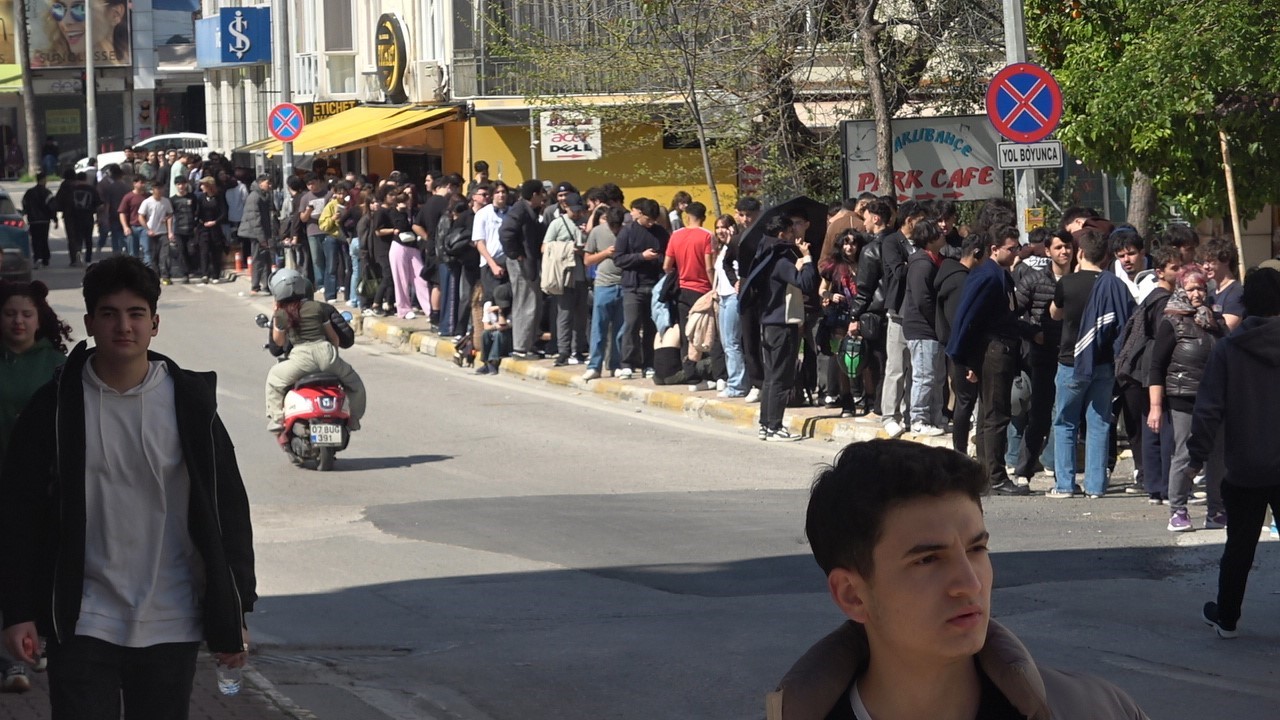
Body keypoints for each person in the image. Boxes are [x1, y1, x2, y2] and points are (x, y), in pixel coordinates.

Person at [0, 256, 255, 718]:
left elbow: (228, 511)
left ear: (154, 324)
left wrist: (234, 610)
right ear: (89, 323)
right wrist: (17, 609)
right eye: (110, 313)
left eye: (136, 313)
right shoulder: (53, 408)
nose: (124, 326)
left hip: (171, 617)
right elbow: (19, 514)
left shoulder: (189, 405)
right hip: (80, 618)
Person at [769, 439, 1149, 720]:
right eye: (928, 560)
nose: (970, 584)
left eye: (976, 549)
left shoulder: (1098, 710)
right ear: (852, 595)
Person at [1189, 267, 1280, 639]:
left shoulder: (1229, 348)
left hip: (1246, 464)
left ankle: (1227, 616)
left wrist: (1196, 453)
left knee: (1240, 546)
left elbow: (1208, 407)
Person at [0, 280, 72, 692]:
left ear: (39, 319)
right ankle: (12, 660)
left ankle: (32, 643)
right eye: (10, 313)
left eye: (26, 314)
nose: (18, 321)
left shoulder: (56, 365)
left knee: (34, 565)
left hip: (40, 487)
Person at [946, 224, 1036, 496]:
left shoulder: (1000, 275)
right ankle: (994, 476)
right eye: (1011, 248)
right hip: (994, 350)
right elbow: (968, 318)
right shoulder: (987, 275)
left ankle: (986, 475)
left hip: (999, 348)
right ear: (994, 249)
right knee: (996, 415)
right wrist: (964, 359)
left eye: (1017, 247)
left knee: (990, 414)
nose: (1016, 252)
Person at [1047, 224, 1134, 499]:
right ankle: (1096, 486)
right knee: (1098, 423)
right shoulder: (1115, 285)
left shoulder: (1067, 284)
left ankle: (1065, 484)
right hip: (1104, 363)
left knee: (1065, 423)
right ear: (1107, 258)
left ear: (1080, 252)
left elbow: (1054, 314)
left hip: (1070, 362)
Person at [1148, 266, 1225, 532]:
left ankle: (1216, 510)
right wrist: (1155, 407)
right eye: (1191, 288)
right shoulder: (1172, 320)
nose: (1196, 294)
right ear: (1182, 289)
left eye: (1201, 288)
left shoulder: (1216, 320)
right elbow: (1156, 366)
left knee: (1217, 455)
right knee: (1184, 452)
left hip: (1216, 397)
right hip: (1184, 397)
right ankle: (1178, 510)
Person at [264, 269, 366, 433]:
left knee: (274, 378)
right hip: (326, 353)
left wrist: (276, 314)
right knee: (355, 384)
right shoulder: (317, 307)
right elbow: (334, 338)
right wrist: (333, 357)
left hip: (301, 358)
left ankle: (277, 418)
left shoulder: (282, 313)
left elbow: (279, 342)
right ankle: (353, 420)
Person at [1011, 229, 1074, 487]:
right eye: (1058, 247)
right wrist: (1033, 332)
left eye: (1067, 247)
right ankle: (1023, 471)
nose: (1064, 252)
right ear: (1048, 251)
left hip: (1072, 357)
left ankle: (1063, 476)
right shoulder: (1035, 280)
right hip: (1043, 356)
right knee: (1039, 415)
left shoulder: (1080, 280)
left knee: (1067, 415)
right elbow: (1012, 312)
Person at [745, 214, 816, 441]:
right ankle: (775, 426)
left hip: (768, 323)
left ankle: (766, 424)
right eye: (790, 230)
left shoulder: (765, 257)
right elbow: (805, 283)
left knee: (771, 377)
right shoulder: (780, 261)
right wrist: (807, 259)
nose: (795, 233)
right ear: (781, 234)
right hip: (782, 325)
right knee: (780, 378)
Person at [878, 201, 925, 437]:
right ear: (909, 220)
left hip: (919, 313)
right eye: (920, 220)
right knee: (896, 368)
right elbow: (898, 271)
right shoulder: (891, 242)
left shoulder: (922, 243)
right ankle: (889, 415)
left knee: (917, 370)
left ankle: (909, 414)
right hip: (898, 313)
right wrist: (917, 262)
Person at [935, 232, 984, 454]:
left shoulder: (953, 276)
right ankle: (960, 452)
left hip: (955, 351)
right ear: (976, 253)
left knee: (964, 401)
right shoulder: (961, 281)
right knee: (965, 402)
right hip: (961, 353)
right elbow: (961, 324)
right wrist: (969, 362)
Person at [900, 220, 947, 437]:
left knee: (937, 377)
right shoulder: (921, 263)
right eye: (938, 233)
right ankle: (918, 419)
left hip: (932, 330)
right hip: (922, 328)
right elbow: (922, 299)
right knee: (924, 375)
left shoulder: (934, 261)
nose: (943, 234)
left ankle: (935, 418)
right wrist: (936, 321)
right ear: (929, 239)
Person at [614, 198, 669, 377]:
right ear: (640, 215)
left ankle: (649, 364)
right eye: (648, 219)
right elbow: (619, 259)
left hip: (655, 286)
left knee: (651, 327)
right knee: (631, 324)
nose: (651, 223)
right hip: (633, 286)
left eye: (654, 219)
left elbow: (668, 256)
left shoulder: (661, 232)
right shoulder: (627, 232)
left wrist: (659, 260)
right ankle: (627, 363)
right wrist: (641, 257)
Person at [663, 201, 714, 384]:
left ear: (687, 216)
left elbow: (667, 265)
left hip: (682, 290)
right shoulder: (708, 236)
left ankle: (689, 373)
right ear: (704, 216)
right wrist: (713, 285)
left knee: (687, 333)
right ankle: (706, 372)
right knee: (705, 333)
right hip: (703, 291)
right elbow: (709, 267)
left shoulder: (676, 235)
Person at [500, 180, 549, 357]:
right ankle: (520, 348)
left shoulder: (530, 211)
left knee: (533, 302)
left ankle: (529, 343)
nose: (544, 196)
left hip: (529, 262)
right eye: (541, 193)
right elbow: (506, 233)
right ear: (534, 195)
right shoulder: (519, 210)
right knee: (525, 303)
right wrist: (516, 254)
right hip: (521, 263)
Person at [543, 192, 589, 366]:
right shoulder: (557, 224)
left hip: (582, 276)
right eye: (574, 210)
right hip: (564, 275)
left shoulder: (585, 223)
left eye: (580, 210)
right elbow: (545, 247)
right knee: (564, 314)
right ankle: (563, 350)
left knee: (581, 315)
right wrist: (569, 248)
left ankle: (578, 349)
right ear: (565, 207)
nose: (577, 214)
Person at [582, 206, 628, 382]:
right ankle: (594, 366)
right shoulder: (597, 232)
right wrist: (605, 253)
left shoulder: (627, 232)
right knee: (598, 329)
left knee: (620, 330)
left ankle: (615, 365)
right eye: (613, 226)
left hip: (624, 285)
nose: (616, 230)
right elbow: (587, 260)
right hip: (603, 285)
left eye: (619, 226)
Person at [714, 214, 748, 398]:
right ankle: (735, 380)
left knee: (732, 342)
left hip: (734, 297)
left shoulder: (737, 245)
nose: (720, 230)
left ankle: (737, 385)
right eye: (717, 227)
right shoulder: (722, 249)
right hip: (723, 297)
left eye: (724, 227)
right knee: (727, 342)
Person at [239, 174, 278, 295]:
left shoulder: (265, 195)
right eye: (268, 183)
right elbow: (255, 219)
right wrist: (261, 238)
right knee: (258, 259)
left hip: (264, 232)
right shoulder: (255, 197)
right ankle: (255, 286)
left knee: (266, 258)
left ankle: (266, 285)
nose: (270, 186)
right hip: (256, 233)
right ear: (260, 183)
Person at [54, 171, 101, 266]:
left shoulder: (68, 189)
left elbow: (58, 202)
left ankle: (75, 256)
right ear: (86, 179)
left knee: (74, 238)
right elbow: (98, 204)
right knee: (88, 238)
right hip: (87, 216)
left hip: (71, 217)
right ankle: (88, 259)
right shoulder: (91, 189)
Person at [1199, 236, 1244, 332]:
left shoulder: (1237, 292)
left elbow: (1227, 328)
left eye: (1210, 262)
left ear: (1226, 260)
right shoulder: (1211, 293)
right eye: (1204, 262)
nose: (1205, 266)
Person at [193, 176, 228, 283]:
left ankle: (215, 274)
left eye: (204, 185)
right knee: (204, 250)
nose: (202, 187)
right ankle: (205, 274)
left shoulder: (219, 197)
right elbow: (197, 212)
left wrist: (215, 222)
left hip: (215, 227)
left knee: (215, 251)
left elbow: (224, 212)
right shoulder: (200, 198)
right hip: (203, 227)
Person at [137, 183, 174, 279]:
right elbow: (141, 216)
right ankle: (154, 275)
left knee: (164, 255)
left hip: (163, 232)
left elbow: (170, 215)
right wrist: (147, 229)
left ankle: (165, 275)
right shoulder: (147, 202)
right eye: (157, 189)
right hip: (151, 233)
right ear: (153, 189)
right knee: (152, 255)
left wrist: (170, 231)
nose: (160, 191)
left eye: (161, 188)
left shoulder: (166, 201)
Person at [475, 283, 513, 376]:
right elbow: (486, 326)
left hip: (507, 338)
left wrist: (501, 310)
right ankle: (486, 362)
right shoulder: (488, 305)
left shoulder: (512, 307)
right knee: (485, 333)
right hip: (494, 333)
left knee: (498, 334)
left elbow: (504, 325)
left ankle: (493, 362)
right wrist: (495, 326)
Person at [21, 173, 56, 268]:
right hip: (44, 220)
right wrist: (54, 219)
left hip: (33, 220)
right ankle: (45, 258)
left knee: (35, 240)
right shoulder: (47, 193)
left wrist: (26, 213)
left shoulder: (29, 192)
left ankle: (37, 257)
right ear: (43, 180)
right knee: (44, 239)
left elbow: (24, 204)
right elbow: (52, 207)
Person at [95, 165, 129, 256]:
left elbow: (107, 203)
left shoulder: (109, 186)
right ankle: (125, 250)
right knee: (124, 233)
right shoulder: (126, 187)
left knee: (114, 234)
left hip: (113, 213)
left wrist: (106, 215)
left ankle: (116, 251)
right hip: (125, 213)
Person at [117, 175, 148, 261]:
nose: (143, 185)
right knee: (133, 253)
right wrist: (125, 227)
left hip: (145, 227)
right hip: (132, 227)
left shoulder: (148, 196)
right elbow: (122, 213)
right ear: (134, 183)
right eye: (141, 182)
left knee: (147, 250)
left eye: (144, 182)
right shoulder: (128, 197)